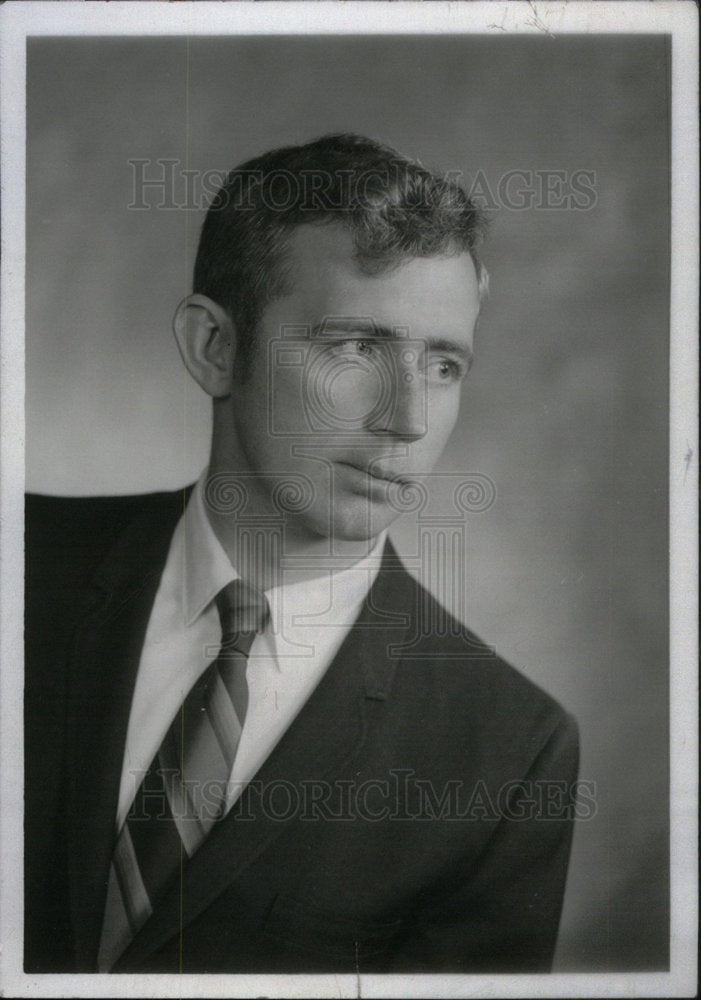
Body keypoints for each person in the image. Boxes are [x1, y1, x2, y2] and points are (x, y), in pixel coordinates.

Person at [24, 133, 579, 975]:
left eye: (442, 364)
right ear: (215, 348)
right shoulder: (21, 567)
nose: (407, 421)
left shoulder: (507, 753)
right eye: (354, 347)